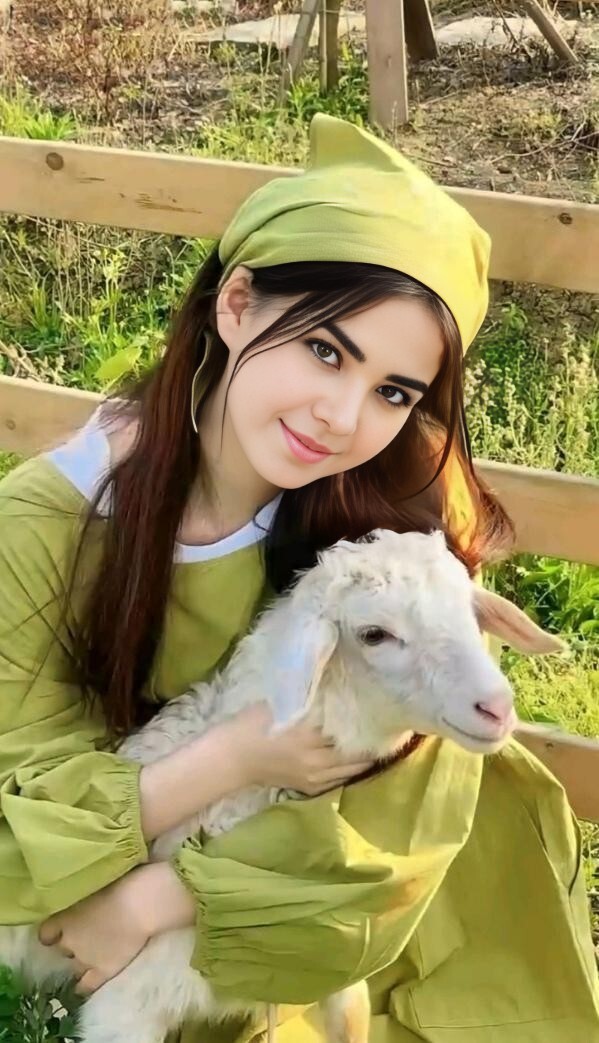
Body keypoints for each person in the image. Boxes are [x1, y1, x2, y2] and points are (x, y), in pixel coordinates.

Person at [0, 114, 597, 1043]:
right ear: (236, 305)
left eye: (393, 391)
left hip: (344, 909)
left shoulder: (392, 509)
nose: (342, 418)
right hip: (143, 907)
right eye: (325, 350)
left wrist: (160, 896)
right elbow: (14, 807)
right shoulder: (49, 523)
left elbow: (406, 818)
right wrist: (234, 757)